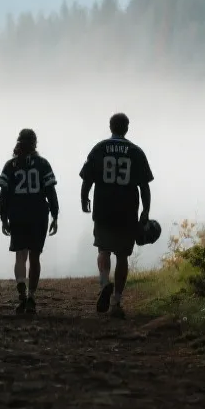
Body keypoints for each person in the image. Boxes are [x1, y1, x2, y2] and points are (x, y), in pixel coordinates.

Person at [78, 112, 153, 319]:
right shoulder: (136, 152)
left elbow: (87, 179)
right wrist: (145, 211)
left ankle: (104, 283)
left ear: (111, 127)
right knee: (122, 255)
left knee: (103, 250)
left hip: (103, 208)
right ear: (126, 128)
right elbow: (144, 186)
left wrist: (84, 199)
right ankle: (117, 302)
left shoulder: (99, 148)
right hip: (127, 211)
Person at [0, 128, 59, 315]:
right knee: (35, 256)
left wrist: (3, 217)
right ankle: (32, 296)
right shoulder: (43, 164)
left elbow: (4, 194)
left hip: (18, 214)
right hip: (38, 214)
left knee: (20, 255)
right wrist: (55, 214)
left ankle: (21, 291)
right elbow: (50, 192)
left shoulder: (11, 165)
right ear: (35, 143)